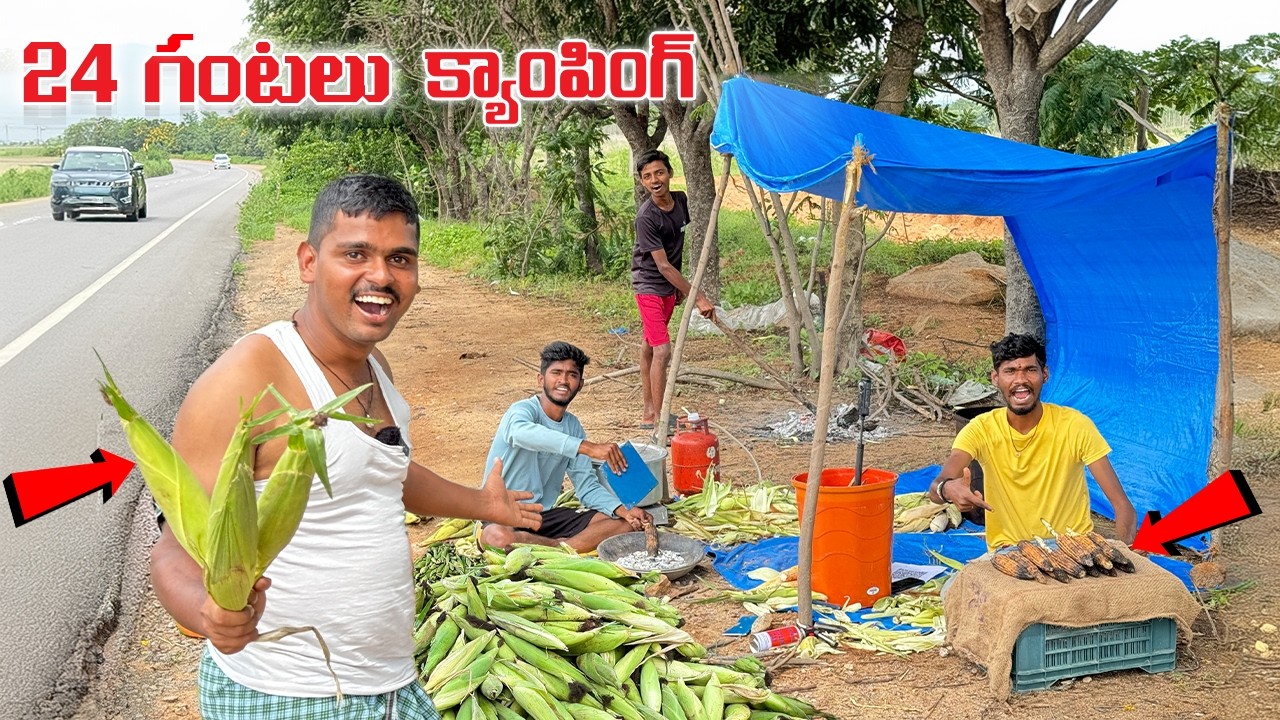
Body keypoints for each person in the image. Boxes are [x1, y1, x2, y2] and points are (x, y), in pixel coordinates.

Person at [150, 174, 541, 719]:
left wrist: (484, 504)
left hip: (388, 688)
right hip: (287, 695)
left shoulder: (373, 366)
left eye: (400, 259)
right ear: (309, 262)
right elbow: (175, 544)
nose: (380, 275)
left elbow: (385, 473)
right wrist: (206, 610)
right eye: (355, 253)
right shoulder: (249, 376)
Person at [928, 333, 1138, 550]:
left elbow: (1122, 505)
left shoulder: (1075, 425)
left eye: (1030, 369)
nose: (1020, 380)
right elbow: (935, 489)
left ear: (1044, 374)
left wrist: (1127, 550)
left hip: (1074, 549)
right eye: (1010, 371)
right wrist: (947, 489)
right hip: (1009, 551)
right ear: (995, 378)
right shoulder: (980, 429)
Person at [479, 341, 652, 552]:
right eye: (556, 373)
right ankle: (564, 545)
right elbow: (520, 433)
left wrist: (623, 509)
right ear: (541, 379)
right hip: (503, 512)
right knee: (496, 537)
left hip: (543, 516)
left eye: (572, 375)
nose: (563, 380)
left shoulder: (573, 427)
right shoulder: (521, 411)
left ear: (580, 384)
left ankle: (557, 546)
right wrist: (585, 447)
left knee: (626, 523)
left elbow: (587, 487)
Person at [631, 149, 715, 430]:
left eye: (659, 173)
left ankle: (648, 410)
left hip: (668, 286)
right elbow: (664, 266)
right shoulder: (646, 217)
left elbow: (677, 247)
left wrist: (678, 287)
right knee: (662, 351)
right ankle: (659, 420)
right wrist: (698, 295)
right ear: (642, 182)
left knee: (649, 346)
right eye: (647, 177)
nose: (655, 180)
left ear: (669, 173)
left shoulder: (680, 201)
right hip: (649, 286)